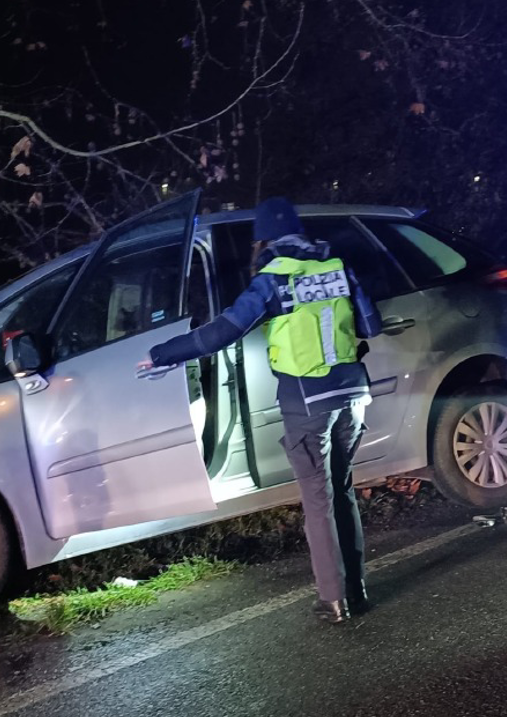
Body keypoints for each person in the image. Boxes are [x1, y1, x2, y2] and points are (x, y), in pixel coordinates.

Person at [140, 196, 382, 624]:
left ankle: (333, 600)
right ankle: (356, 592)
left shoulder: (272, 280)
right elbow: (371, 326)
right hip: (353, 394)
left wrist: (162, 353)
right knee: (342, 493)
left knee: (318, 501)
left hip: (307, 401)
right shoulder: (337, 268)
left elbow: (221, 333)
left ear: (264, 241)